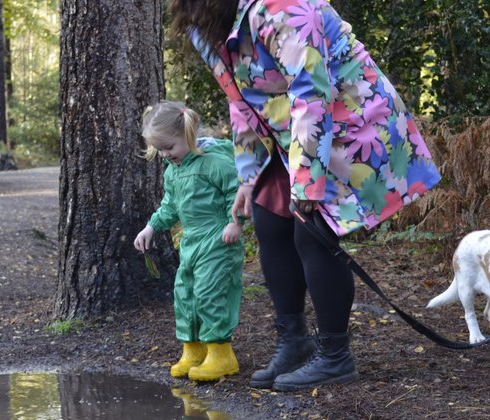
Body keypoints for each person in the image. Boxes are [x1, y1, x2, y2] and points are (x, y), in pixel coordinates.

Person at [168, 0, 442, 391]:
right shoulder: (204, 24)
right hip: (291, 134)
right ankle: (294, 342)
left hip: (350, 122)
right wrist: (247, 177)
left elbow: (311, 93)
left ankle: (335, 356)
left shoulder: (282, 7)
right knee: (268, 220)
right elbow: (241, 100)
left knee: (311, 231)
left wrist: (307, 182)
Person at [133, 100, 245, 382]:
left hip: (219, 239)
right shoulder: (174, 170)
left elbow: (237, 192)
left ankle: (221, 353)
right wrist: (151, 226)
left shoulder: (215, 162)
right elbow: (171, 205)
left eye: (169, 147)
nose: (165, 155)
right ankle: (193, 350)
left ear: (187, 135)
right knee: (185, 295)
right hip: (191, 242)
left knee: (211, 293)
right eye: (160, 150)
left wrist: (235, 222)